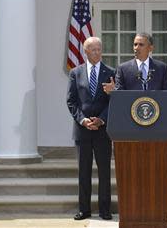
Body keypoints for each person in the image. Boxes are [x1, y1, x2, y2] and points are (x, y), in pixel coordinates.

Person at [66, 37, 114, 221]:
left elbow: (113, 101)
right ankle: (84, 210)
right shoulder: (75, 73)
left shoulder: (111, 72)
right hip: (82, 130)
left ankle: (105, 210)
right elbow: (71, 101)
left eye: (99, 49)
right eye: (92, 49)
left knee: (104, 172)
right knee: (83, 172)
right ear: (85, 51)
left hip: (103, 131)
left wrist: (101, 120)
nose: (97, 52)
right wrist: (83, 120)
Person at [103, 32, 167, 96]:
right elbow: (120, 95)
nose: (136, 48)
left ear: (150, 48)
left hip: (155, 114)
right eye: (135, 44)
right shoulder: (123, 68)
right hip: (131, 114)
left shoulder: (161, 68)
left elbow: (166, 93)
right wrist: (113, 91)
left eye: (141, 45)